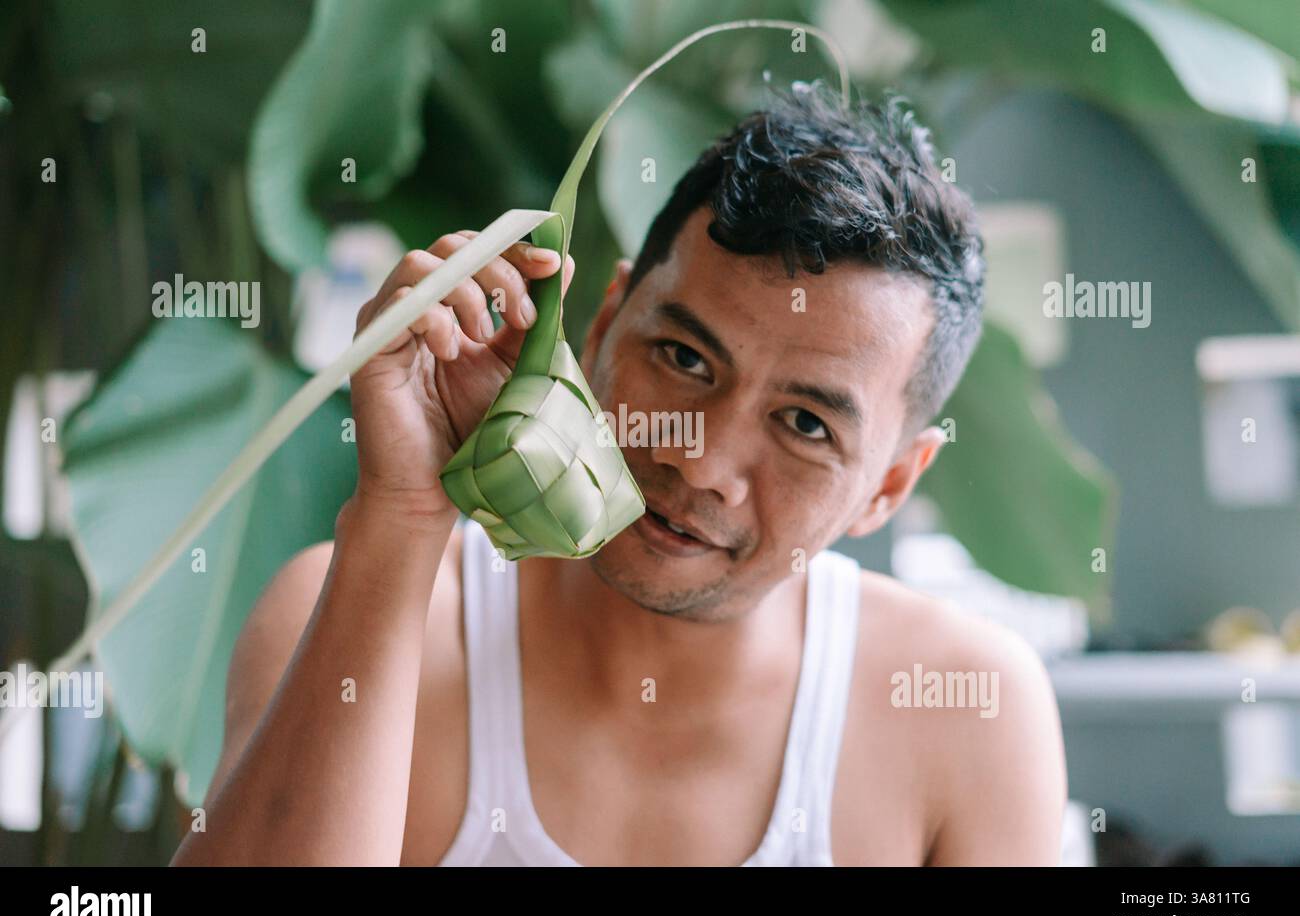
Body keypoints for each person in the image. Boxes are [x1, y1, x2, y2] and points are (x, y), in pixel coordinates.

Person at [172, 83, 1066, 867]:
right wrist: (402, 514)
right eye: (681, 356)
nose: (699, 458)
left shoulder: (968, 712)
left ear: (890, 487)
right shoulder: (355, 612)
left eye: (804, 423)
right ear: (603, 324)